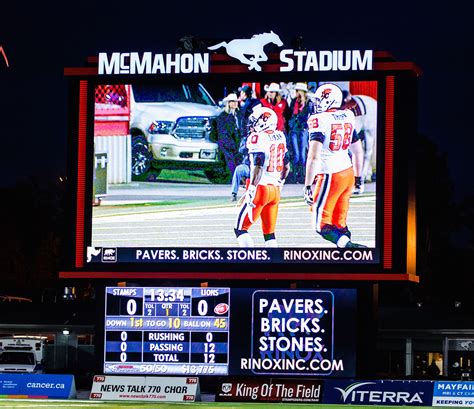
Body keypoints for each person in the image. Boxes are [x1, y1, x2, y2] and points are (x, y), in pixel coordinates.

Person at [303, 83, 366, 248]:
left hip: (331, 175)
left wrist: (308, 185)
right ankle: (349, 257)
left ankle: (349, 247)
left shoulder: (319, 120)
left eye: (319, 99)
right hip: (348, 172)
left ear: (328, 100)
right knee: (339, 223)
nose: (316, 103)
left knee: (320, 224)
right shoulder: (348, 115)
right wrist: (358, 178)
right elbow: (358, 151)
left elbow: (313, 157)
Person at [234, 106, 290, 247]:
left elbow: (258, 165)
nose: (251, 125)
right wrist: (281, 182)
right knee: (269, 234)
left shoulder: (257, 137)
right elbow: (287, 165)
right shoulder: (280, 136)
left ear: (263, 121)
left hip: (261, 188)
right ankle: (273, 265)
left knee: (240, 229)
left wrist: (252, 189)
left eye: (254, 121)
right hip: (275, 190)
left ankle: (250, 263)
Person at [342, 90, 378, 193]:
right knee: (356, 153)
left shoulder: (350, 112)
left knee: (363, 152)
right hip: (349, 129)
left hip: (352, 129)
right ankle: (358, 181)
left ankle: (361, 178)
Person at [209, 93, 244, 177]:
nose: (235, 103)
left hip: (237, 143)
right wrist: (231, 145)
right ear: (228, 103)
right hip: (227, 144)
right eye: (232, 101)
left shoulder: (239, 115)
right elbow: (223, 133)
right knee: (231, 160)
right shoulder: (222, 117)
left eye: (236, 101)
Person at [288, 82, 314, 183]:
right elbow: (290, 114)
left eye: (299, 91)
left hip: (304, 129)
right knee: (296, 153)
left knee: (303, 153)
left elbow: (310, 115)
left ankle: (303, 176)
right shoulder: (294, 102)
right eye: (296, 91)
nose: (297, 93)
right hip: (294, 129)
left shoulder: (309, 102)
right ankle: (295, 176)